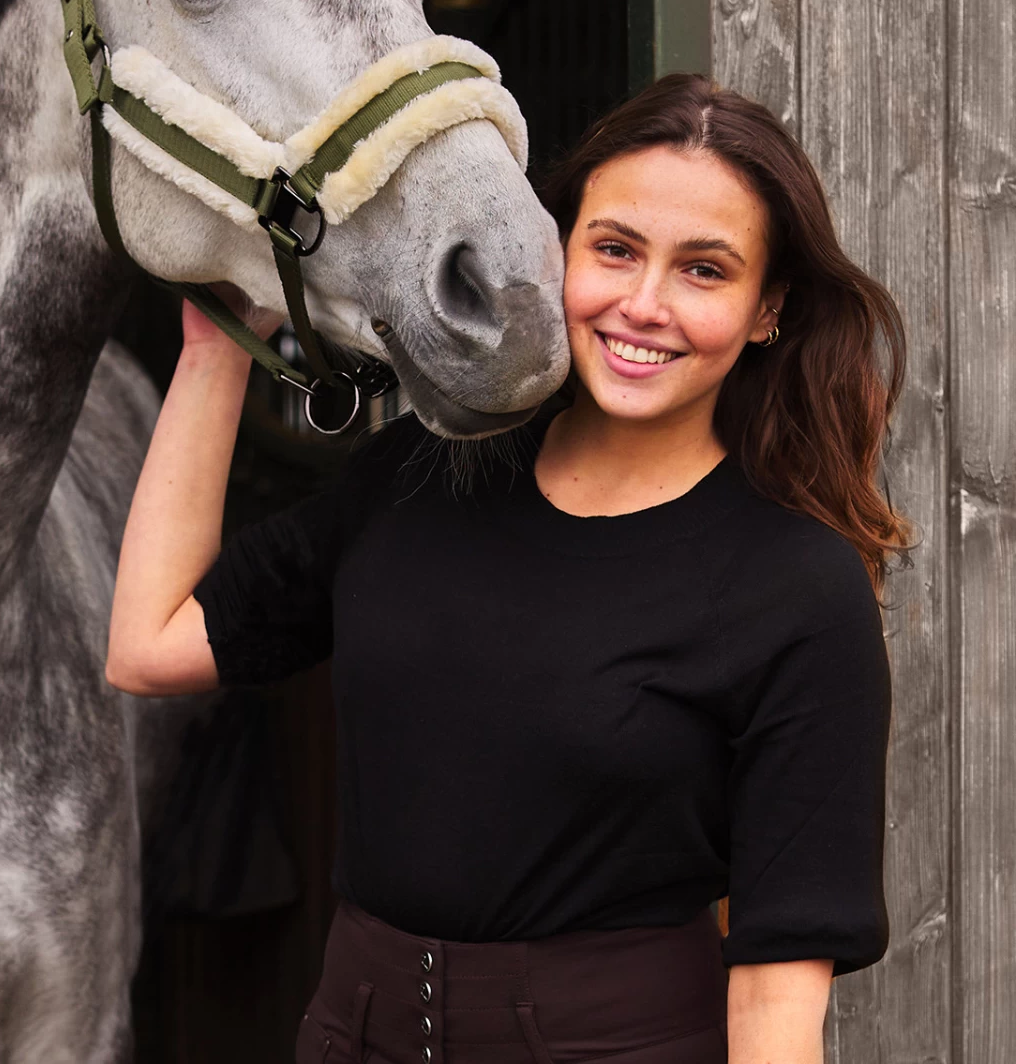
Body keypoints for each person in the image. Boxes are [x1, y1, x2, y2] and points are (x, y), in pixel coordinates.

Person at [107, 72, 908, 1064]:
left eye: (704, 271)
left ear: (766, 310)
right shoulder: (425, 472)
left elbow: (779, 991)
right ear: (555, 250)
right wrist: (215, 350)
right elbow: (150, 644)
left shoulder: (797, 586)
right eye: (614, 250)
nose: (644, 304)